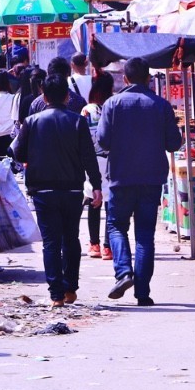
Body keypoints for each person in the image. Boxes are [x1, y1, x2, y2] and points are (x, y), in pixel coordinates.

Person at [97, 57, 183, 306]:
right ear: (148, 78)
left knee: (116, 227)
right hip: (151, 179)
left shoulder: (112, 104)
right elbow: (174, 144)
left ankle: (124, 272)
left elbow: (102, 141)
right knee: (145, 235)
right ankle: (143, 293)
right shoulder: (161, 105)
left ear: (125, 78)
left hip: (121, 178)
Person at [10, 76, 102, 307]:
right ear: (67, 97)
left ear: (44, 96)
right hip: (72, 189)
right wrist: (97, 185)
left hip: (43, 190)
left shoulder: (31, 122)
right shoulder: (77, 122)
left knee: (51, 242)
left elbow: (19, 154)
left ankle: (56, 295)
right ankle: (70, 288)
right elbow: (89, 157)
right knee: (71, 238)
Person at [81, 71, 115, 260]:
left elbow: (82, 136)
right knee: (110, 202)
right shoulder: (114, 106)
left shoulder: (87, 110)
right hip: (111, 160)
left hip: (92, 160)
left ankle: (94, 245)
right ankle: (108, 247)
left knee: (93, 201)